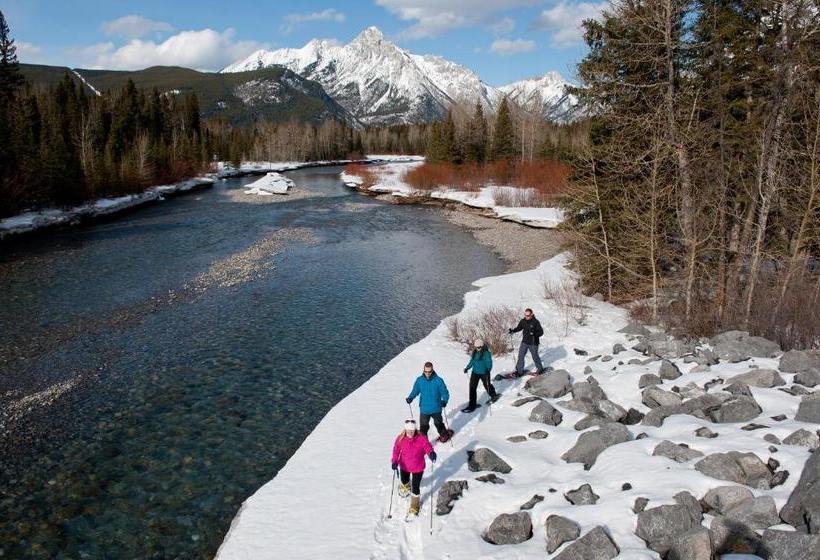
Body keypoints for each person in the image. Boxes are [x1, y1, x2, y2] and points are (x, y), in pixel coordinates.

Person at [391, 419, 436, 516]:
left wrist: (431, 453)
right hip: (404, 466)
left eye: (412, 430)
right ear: (405, 429)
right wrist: (394, 461)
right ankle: (405, 487)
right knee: (404, 481)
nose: (410, 432)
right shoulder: (400, 438)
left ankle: (415, 505)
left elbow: (427, 446)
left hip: (418, 468)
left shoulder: (421, 438)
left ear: (415, 429)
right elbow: (396, 450)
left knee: (415, 487)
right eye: (408, 430)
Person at [406, 361, 451, 442]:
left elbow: (445, 393)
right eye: (426, 371)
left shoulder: (438, 380)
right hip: (424, 409)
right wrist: (410, 398)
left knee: (438, 424)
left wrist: (445, 401)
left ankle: (444, 436)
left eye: (429, 371)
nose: (427, 373)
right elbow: (415, 390)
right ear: (423, 370)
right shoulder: (419, 380)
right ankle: (424, 442)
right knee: (423, 427)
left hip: (436, 408)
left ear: (432, 370)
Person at [462, 339, 498, 413]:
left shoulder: (486, 353)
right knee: (472, 387)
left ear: (482, 346)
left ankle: (493, 395)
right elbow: (472, 361)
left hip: (484, 372)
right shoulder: (475, 352)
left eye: (479, 347)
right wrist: (467, 368)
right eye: (476, 347)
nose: (477, 348)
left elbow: (489, 363)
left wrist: (488, 370)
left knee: (486, 385)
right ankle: (472, 404)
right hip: (475, 372)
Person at [509, 308, 545, 376]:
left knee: (535, 356)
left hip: (533, 343)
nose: (526, 317)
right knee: (521, 356)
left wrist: (534, 333)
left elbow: (541, 332)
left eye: (528, 315)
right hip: (525, 342)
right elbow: (519, 328)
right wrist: (513, 331)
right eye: (525, 315)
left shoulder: (536, 322)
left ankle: (540, 369)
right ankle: (519, 371)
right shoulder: (523, 321)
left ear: (531, 314)